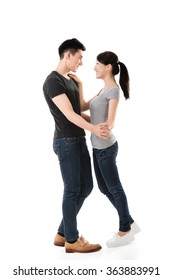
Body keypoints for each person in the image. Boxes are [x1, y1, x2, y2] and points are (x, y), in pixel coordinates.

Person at [43, 39, 109, 253]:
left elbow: (80, 107)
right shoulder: (53, 81)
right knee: (72, 189)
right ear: (67, 55)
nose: (81, 61)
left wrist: (81, 86)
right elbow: (70, 114)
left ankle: (62, 233)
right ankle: (72, 239)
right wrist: (93, 128)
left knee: (87, 186)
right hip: (66, 141)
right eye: (79, 57)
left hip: (77, 139)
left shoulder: (69, 80)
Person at [70, 51, 140, 247]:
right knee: (104, 188)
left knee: (115, 188)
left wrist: (99, 127)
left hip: (106, 148)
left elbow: (109, 123)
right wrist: (81, 85)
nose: (94, 67)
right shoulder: (102, 91)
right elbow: (83, 106)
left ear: (108, 67)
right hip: (98, 147)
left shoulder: (113, 91)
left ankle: (125, 230)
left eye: (98, 64)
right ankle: (130, 222)